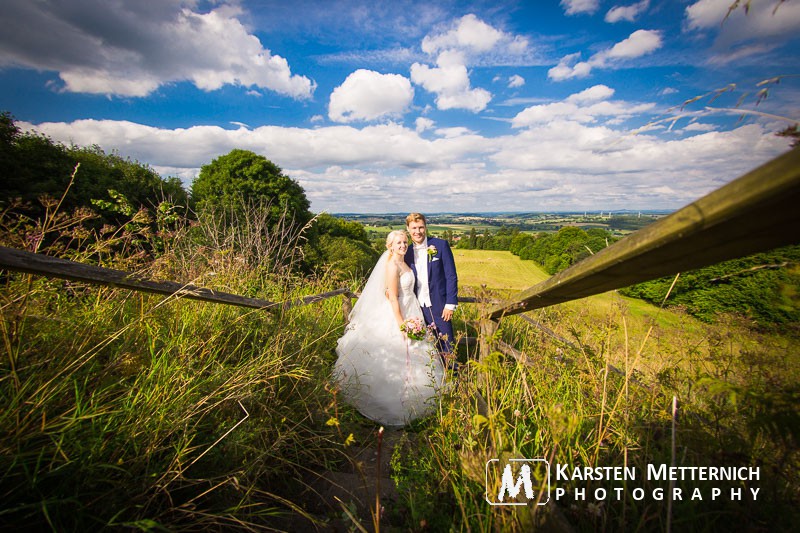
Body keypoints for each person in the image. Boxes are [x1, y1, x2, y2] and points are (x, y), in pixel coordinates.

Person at [334, 230, 445, 426]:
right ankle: (395, 401)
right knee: (397, 351)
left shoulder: (403, 262)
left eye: (404, 242)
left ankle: (417, 394)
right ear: (390, 246)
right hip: (399, 312)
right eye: (399, 243)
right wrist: (401, 323)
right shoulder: (392, 266)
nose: (403, 245)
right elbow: (393, 297)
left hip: (412, 308)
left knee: (415, 352)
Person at [403, 213, 459, 367]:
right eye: (414, 228)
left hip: (440, 306)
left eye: (421, 227)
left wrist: (450, 304)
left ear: (425, 227)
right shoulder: (405, 252)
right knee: (422, 346)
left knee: (447, 343)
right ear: (408, 229)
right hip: (416, 308)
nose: (418, 231)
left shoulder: (440, 246)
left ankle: (453, 379)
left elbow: (451, 276)